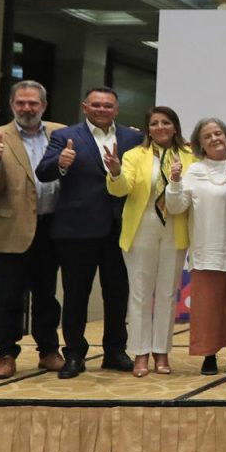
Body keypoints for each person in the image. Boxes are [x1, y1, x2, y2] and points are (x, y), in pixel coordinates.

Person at [36, 86, 143, 378]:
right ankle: (74, 354)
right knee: (75, 295)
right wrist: (60, 163)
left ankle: (115, 351)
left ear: (116, 109)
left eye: (108, 105)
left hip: (120, 230)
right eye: (95, 105)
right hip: (76, 230)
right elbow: (43, 172)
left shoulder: (133, 137)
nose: (101, 110)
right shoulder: (64, 136)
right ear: (85, 107)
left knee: (118, 293)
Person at [0, 79, 64, 379]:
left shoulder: (60, 132)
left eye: (33, 103)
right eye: (21, 103)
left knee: (47, 295)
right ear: (12, 105)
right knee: (9, 296)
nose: (27, 108)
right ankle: (5, 355)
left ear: (44, 105)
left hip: (52, 227)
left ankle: (49, 351)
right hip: (12, 227)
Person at [105, 105, 194, 377]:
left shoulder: (191, 157)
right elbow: (121, 189)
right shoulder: (135, 155)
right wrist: (116, 172)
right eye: (154, 123)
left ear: (175, 126)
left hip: (175, 229)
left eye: (165, 122)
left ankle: (162, 353)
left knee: (167, 294)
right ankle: (141, 353)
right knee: (141, 293)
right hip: (142, 227)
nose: (160, 127)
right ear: (148, 129)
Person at [166, 117, 226, 376]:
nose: (214, 138)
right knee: (208, 306)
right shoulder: (193, 170)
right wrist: (175, 181)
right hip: (207, 248)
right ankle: (209, 354)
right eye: (208, 136)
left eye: (218, 133)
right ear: (200, 144)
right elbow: (176, 207)